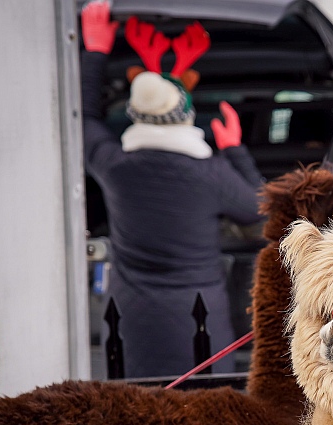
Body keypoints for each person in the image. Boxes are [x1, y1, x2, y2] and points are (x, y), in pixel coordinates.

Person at [80, 1, 263, 377]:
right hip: (198, 323)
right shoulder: (210, 173)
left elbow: (82, 118)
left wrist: (95, 50)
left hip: (133, 320)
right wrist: (234, 148)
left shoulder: (115, 166)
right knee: (206, 412)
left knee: (144, 410)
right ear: (186, 114)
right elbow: (259, 207)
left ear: (133, 115)